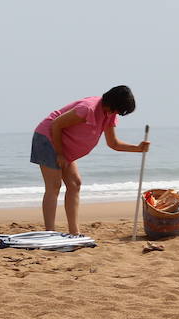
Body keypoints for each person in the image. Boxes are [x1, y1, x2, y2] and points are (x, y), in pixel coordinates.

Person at [32, 85, 149, 235]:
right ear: (112, 103)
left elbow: (113, 143)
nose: (117, 114)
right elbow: (56, 124)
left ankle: (74, 232)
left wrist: (138, 148)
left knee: (75, 184)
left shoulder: (110, 114)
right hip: (47, 138)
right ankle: (49, 232)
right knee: (54, 185)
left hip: (64, 146)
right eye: (118, 110)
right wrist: (60, 154)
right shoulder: (87, 109)